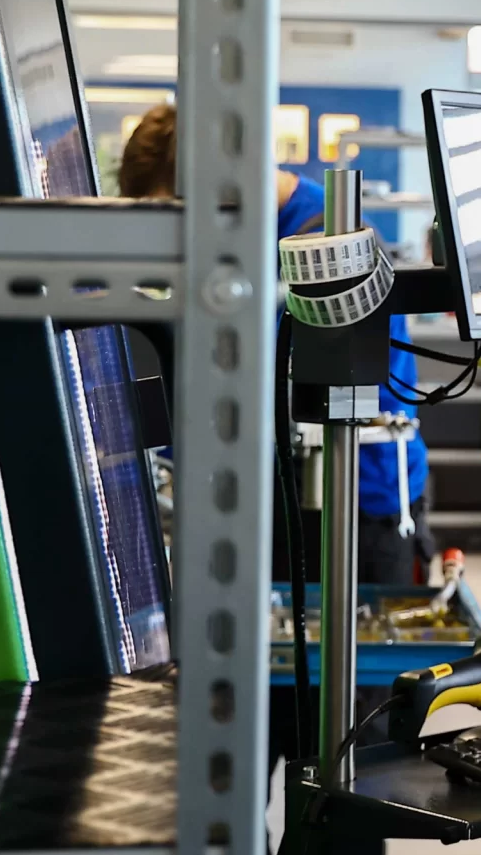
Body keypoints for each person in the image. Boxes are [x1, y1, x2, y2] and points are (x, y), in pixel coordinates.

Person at [119, 104, 435, 583]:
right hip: (283, 493)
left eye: (184, 218)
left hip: (355, 503)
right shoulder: (253, 237)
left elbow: (253, 385)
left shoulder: (326, 238)